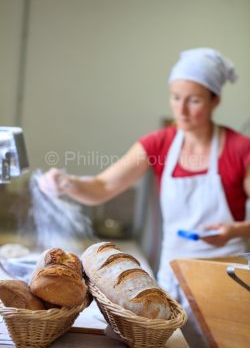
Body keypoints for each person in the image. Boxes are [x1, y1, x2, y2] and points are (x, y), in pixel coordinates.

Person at [38, 48, 250, 347]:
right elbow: (102, 186)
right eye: (176, 97)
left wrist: (236, 230)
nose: (182, 110)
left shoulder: (240, 149)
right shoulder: (160, 143)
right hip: (173, 278)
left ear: (215, 100)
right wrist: (67, 183)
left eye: (194, 100)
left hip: (225, 282)